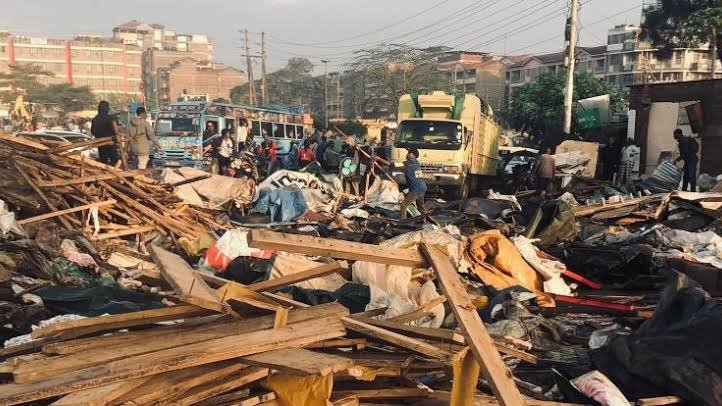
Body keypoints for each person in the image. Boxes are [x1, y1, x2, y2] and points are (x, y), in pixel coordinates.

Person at [400, 148, 427, 219]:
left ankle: (402, 222)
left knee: (404, 204)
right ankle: (424, 220)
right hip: (423, 187)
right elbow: (418, 177)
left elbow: (392, 165)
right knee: (420, 206)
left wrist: (379, 159)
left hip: (416, 189)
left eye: (409, 153)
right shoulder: (417, 163)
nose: (407, 154)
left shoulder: (407, 163)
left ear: (412, 155)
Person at [91, 100, 120, 165]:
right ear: (107, 108)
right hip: (111, 143)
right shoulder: (111, 118)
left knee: (103, 162)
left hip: (100, 145)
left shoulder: (95, 119)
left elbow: (93, 131)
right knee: (115, 161)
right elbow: (116, 131)